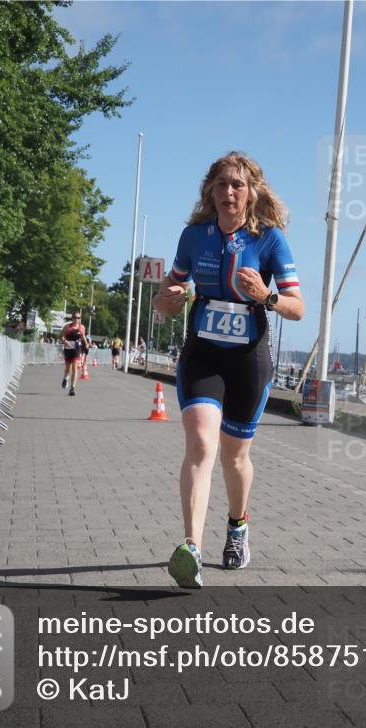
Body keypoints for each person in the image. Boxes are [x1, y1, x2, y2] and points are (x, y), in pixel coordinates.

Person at [153, 152, 304, 589]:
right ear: (210, 190)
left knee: (234, 456)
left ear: (252, 191)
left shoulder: (269, 240)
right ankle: (191, 549)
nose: (229, 192)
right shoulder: (194, 236)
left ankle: (238, 527)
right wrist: (168, 300)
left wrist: (266, 296)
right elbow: (164, 297)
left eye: (238, 184)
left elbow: (297, 308)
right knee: (202, 443)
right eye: (221, 184)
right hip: (203, 354)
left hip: (248, 361)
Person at [60, 312, 88, 396]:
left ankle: (72, 388)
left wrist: (86, 344)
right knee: (68, 368)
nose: (77, 319)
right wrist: (65, 341)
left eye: (79, 318)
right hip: (68, 349)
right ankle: (65, 378)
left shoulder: (81, 327)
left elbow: (83, 336)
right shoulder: (67, 327)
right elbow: (61, 336)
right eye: (75, 317)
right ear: (72, 318)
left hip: (77, 349)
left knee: (75, 369)